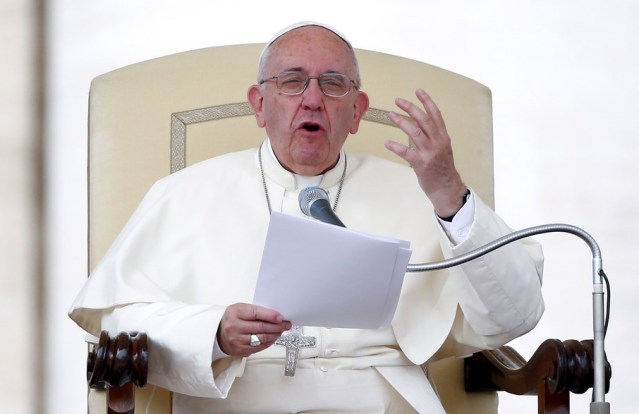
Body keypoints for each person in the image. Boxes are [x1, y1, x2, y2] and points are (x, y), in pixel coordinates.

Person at [70, 22, 544, 413]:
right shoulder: (184, 194)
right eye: (292, 81)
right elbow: (117, 319)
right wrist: (213, 332)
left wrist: (448, 192)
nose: (312, 98)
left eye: (333, 84)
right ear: (259, 104)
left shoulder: (423, 193)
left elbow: (514, 314)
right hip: (236, 399)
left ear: (356, 112)